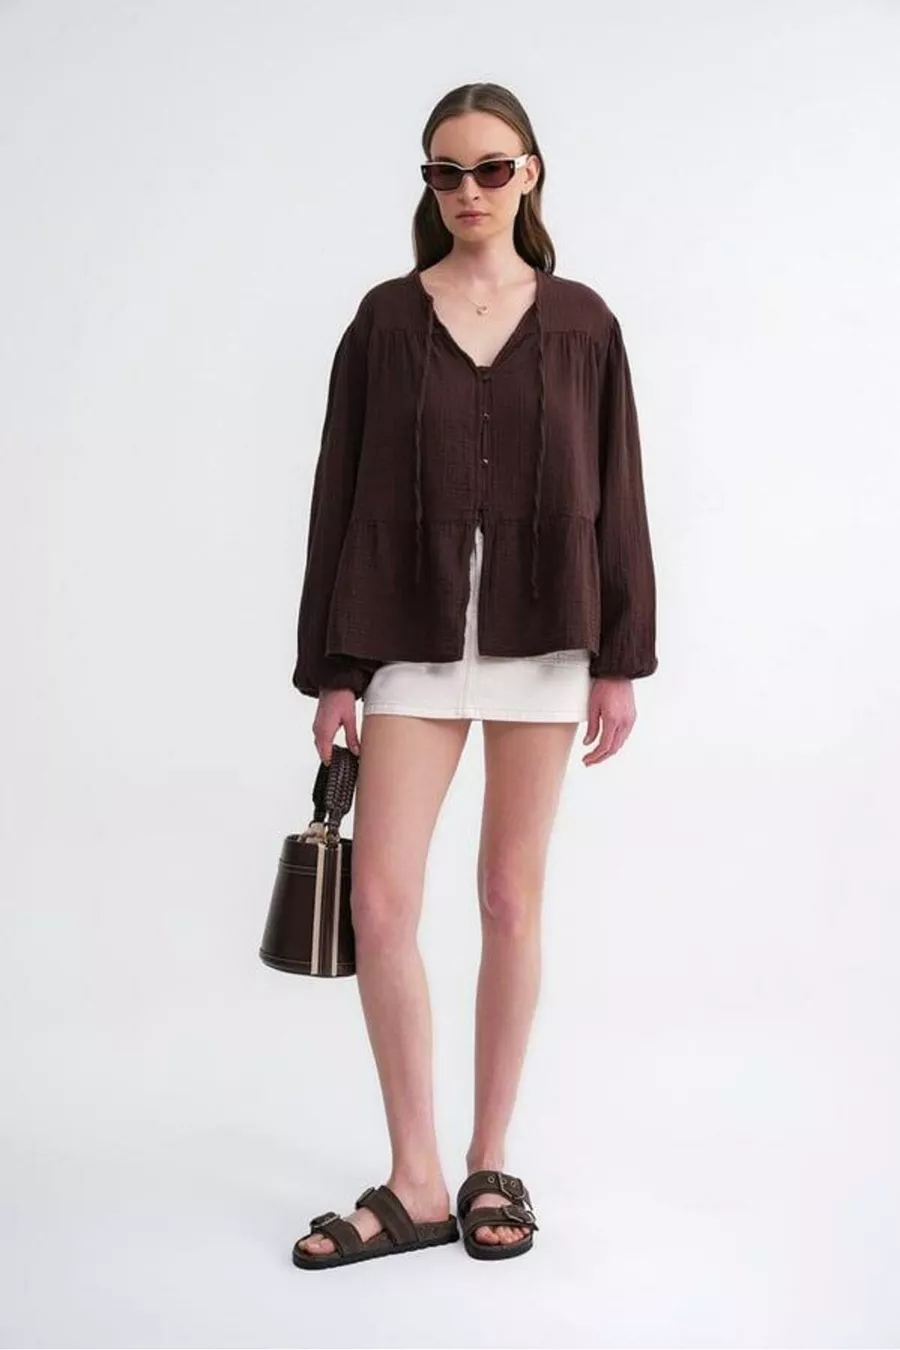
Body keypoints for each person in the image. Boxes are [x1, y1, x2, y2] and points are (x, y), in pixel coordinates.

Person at [292, 81, 657, 1268]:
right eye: (446, 173)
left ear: (530, 173)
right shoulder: (386, 320)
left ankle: (492, 1159)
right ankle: (417, 1181)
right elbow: (339, 488)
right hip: (407, 631)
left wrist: (621, 657)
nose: (468, 191)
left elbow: (621, 487)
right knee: (381, 903)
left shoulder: (584, 322)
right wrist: (332, 668)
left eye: (491, 169)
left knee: (509, 896)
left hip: (549, 632)